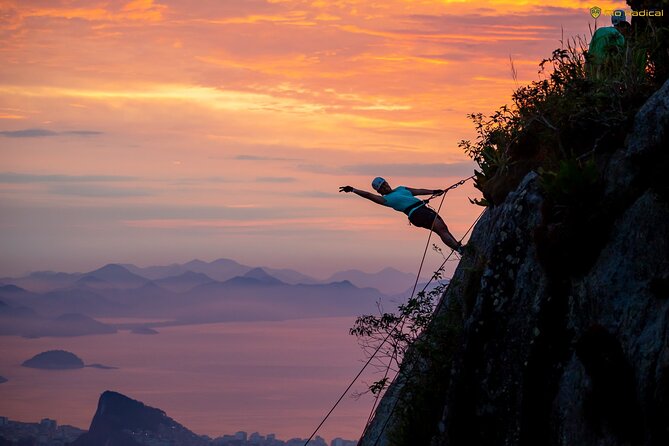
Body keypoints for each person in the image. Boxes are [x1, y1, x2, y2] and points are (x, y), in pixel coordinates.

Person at [339, 177, 464, 254]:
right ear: (379, 191)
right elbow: (368, 195)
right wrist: (353, 190)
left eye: (385, 183)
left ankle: (458, 247)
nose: (385, 187)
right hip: (417, 213)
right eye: (382, 187)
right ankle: (459, 249)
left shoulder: (400, 188)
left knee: (442, 228)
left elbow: (418, 191)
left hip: (422, 210)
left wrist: (434, 191)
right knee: (440, 228)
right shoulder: (386, 199)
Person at [588, 10, 631, 78]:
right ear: (623, 25)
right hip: (605, 69)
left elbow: (591, 48)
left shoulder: (599, 31)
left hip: (591, 67)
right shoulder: (619, 36)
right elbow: (618, 55)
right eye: (625, 26)